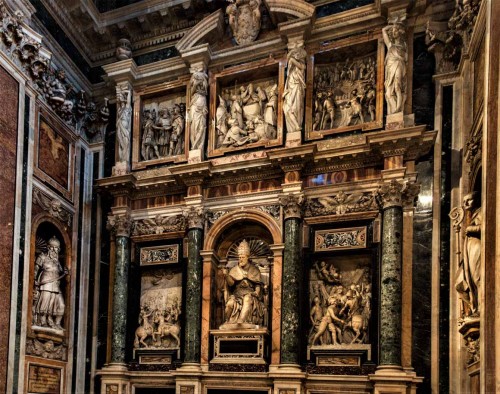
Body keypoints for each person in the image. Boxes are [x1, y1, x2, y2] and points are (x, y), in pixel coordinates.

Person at [222, 240, 265, 327]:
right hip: (237, 295)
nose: (240, 259)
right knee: (230, 303)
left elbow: (257, 284)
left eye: (242, 257)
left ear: (247, 257)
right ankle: (227, 321)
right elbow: (230, 284)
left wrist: (256, 292)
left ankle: (241, 321)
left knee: (247, 299)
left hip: (250, 294)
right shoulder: (234, 270)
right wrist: (226, 275)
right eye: (239, 257)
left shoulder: (254, 270)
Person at [33, 237, 68, 330]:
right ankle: (42, 321)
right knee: (45, 303)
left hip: (56, 284)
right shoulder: (42, 256)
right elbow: (36, 269)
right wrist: (34, 279)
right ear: (48, 247)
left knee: (61, 305)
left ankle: (56, 323)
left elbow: (62, 271)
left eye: (56, 248)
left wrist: (65, 271)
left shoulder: (57, 261)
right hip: (46, 283)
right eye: (51, 247)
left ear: (58, 249)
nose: (53, 249)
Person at [456, 192, 482, 316]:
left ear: (476, 200)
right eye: (464, 201)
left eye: (469, 200)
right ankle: (473, 307)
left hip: (477, 248)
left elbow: (486, 227)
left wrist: (470, 229)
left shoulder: (482, 211)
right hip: (469, 251)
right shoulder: (473, 215)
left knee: (477, 278)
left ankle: (480, 308)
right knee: (460, 283)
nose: (465, 203)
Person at [382, 21, 408, 114]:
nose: (394, 32)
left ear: (400, 32)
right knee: (388, 92)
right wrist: (393, 25)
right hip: (390, 67)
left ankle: (398, 108)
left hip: (399, 64)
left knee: (398, 86)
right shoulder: (390, 45)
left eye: (396, 31)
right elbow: (383, 30)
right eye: (392, 31)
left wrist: (396, 26)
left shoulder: (403, 45)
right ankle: (394, 109)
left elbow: (406, 58)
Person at [283, 45, 307, 133]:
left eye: (298, 53)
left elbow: (295, 62)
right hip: (290, 90)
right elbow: (290, 63)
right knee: (287, 109)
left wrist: (291, 57)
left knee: (296, 107)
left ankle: (297, 126)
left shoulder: (301, 65)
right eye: (295, 53)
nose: (296, 55)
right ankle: (294, 126)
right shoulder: (290, 71)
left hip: (297, 88)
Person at [116, 87, 132, 163]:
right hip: (119, 126)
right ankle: (121, 158)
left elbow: (129, 93)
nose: (120, 99)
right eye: (119, 98)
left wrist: (124, 91)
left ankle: (125, 159)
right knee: (120, 142)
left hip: (125, 127)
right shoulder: (119, 109)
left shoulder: (127, 107)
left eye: (121, 97)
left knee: (126, 142)